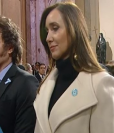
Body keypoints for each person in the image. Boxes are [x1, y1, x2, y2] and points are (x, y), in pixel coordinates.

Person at [34, 2, 114, 133]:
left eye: (55, 28)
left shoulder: (100, 84)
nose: (48, 38)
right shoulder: (45, 86)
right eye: (47, 31)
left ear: (73, 30)